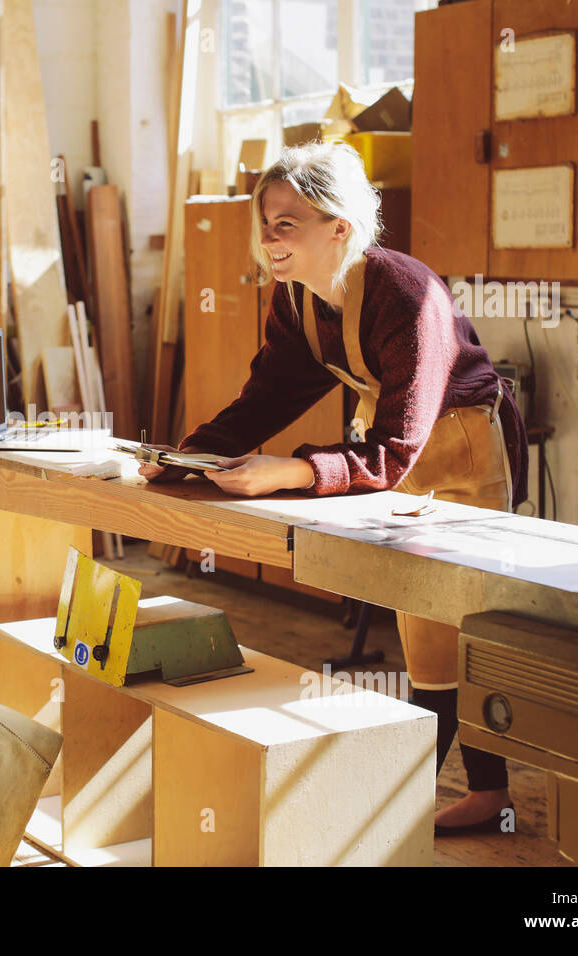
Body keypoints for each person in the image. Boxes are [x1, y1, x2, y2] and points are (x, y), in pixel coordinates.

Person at [141, 142, 529, 835]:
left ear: (339, 228)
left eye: (286, 223)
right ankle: (470, 797)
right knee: (425, 628)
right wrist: (185, 458)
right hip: (400, 457)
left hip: (463, 448)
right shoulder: (296, 301)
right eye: (263, 223)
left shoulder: (406, 297)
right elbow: (264, 401)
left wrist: (289, 472)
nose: (268, 239)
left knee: (462, 625)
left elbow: (395, 448)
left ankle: (401, 813)